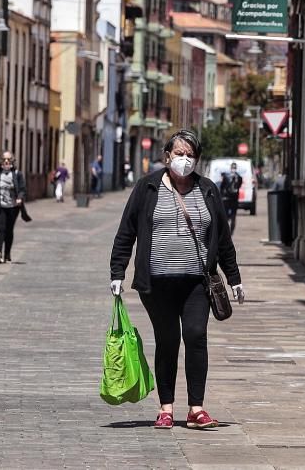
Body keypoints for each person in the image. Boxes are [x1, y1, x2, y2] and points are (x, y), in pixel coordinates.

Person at [109, 129, 244, 430]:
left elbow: (222, 238)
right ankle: (166, 408)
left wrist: (234, 278)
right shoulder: (147, 188)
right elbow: (126, 233)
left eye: (190, 155)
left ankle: (196, 408)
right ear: (167, 155)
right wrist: (117, 272)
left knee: (196, 337)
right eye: (179, 153)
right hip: (156, 283)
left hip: (197, 282)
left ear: (197, 158)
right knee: (167, 340)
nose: (184, 160)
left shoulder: (207, 190)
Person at [0, 151, 26, 263]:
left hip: (13, 207)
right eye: (4, 159)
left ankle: (7, 253)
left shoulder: (18, 174)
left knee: (9, 230)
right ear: (1, 161)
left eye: (9, 159)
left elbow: (22, 189)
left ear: (12, 161)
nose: (6, 161)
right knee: (0, 228)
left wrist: (19, 197)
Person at [219, 163, 243, 234]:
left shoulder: (226, 176)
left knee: (226, 215)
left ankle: (226, 231)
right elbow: (239, 186)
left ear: (231, 168)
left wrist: (221, 196)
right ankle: (231, 231)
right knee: (233, 216)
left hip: (226, 198)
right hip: (235, 199)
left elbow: (222, 187)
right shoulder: (239, 177)